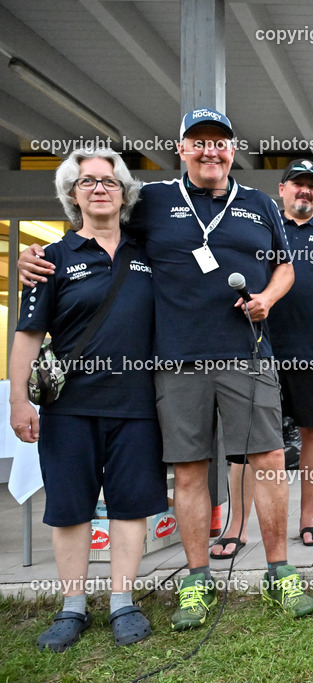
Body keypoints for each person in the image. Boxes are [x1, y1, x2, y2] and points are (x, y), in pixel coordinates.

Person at [19, 108, 313, 625]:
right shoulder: (152, 200)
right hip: (176, 361)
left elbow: (285, 267)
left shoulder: (260, 204)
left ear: (232, 150)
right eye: (198, 141)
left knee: (268, 459)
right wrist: (36, 256)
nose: (209, 151)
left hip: (247, 354)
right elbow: (98, 227)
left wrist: (267, 297)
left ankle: (279, 571)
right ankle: (197, 580)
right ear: (181, 149)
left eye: (219, 142)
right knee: (189, 470)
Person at [10, 148, 166, 651]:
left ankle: (123, 601)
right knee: (70, 508)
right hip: (69, 407)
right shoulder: (50, 259)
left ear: (124, 193)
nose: (99, 188)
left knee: (129, 506)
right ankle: (72, 607)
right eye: (87, 182)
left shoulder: (149, 254)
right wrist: (18, 400)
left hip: (138, 405)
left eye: (109, 181)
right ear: (72, 196)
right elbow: (28, 334)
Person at [209, 159, 313, 557]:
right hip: (259, 350)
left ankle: (308, 518)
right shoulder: (260, 228)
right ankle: (237, 527)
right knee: (248, 441)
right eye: (298, 183)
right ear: (282, 190)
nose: (305, 190)